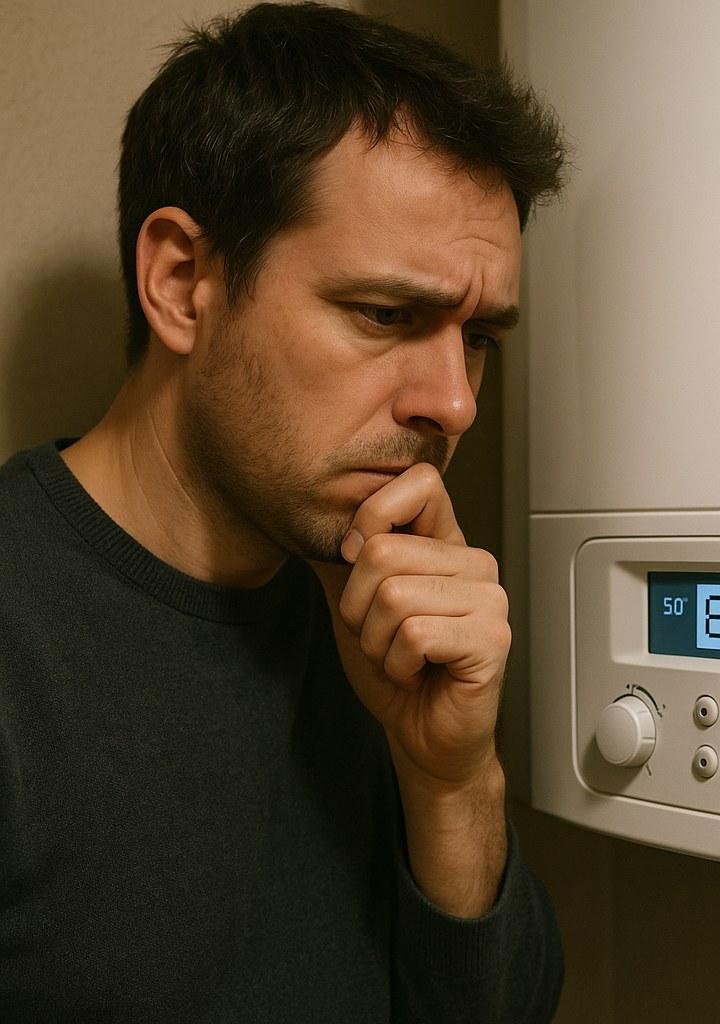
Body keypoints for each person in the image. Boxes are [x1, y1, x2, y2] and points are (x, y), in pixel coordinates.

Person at [0, 4, 567, 1021]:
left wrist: (452, 776)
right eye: (386, 315)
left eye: (478, 334)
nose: (455, 402)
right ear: (183, 283)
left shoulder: (394, 619)